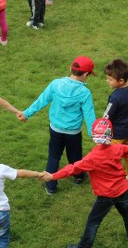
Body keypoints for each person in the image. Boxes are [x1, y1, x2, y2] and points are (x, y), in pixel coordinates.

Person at [44, 118, 128, 248]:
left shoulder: (92, 158)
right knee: (127, 212)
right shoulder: (117, 148)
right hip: (122, 189)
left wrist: (52, 176)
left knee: (93, 221)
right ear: (111, 135)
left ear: (93, 136)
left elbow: (72, 168)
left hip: (106, 195)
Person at [19, 56, 97, 195]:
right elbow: (89, 115)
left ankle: (50, 186)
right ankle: (79, 176)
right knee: (75, 156)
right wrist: (94, 134)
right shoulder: (85, 93)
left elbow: (42, 100)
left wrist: (26, 113)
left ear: (70, 68)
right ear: (86, 74)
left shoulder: (56, 84)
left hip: (55, 129)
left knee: (54, 156)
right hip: (73, 133)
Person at [102, 59, 128, 188]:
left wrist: (102, 129)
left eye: (110, 79)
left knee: (111, 158)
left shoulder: (115, 97)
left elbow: (107, 116)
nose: (107, 81)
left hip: (116, 135)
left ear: (120, 81)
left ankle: (111, 182)